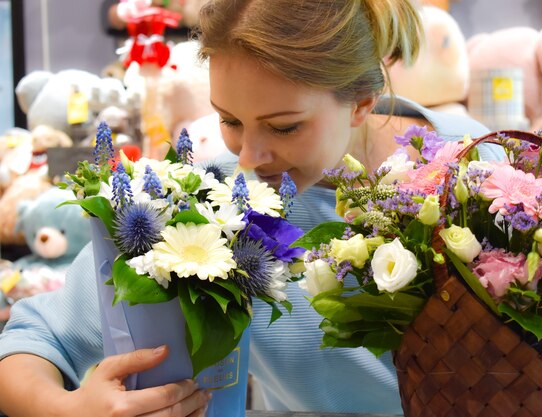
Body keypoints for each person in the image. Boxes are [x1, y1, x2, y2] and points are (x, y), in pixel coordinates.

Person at [0, 0, 502, 415]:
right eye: (230, 120)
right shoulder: (207, 200)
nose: (248, 157)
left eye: (284, 126)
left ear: (362, 100)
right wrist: (66, 409)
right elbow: (28, 345)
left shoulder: (486, 173)